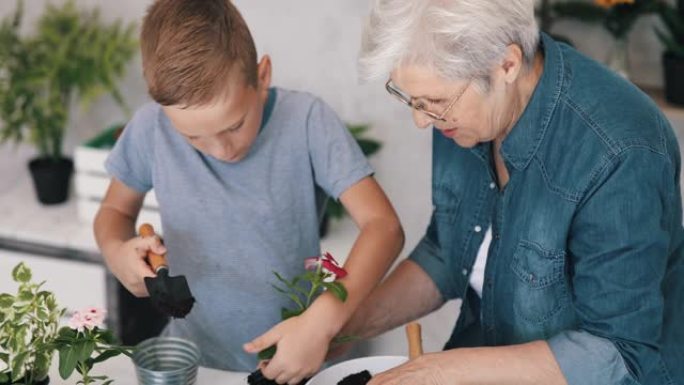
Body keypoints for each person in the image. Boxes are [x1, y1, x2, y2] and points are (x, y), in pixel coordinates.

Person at [336, 0, 684, 384]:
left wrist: (439, 370)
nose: (422, 121)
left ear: (507, 64)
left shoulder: (619, 147)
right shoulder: (460, 112)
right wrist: (341, 328)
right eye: (411, 101)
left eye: (433, 102)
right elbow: (448, 252)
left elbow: (619, 353)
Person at [93, 0, 404, 381]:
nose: (222, 150)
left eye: (234, 125)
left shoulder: (307, 121)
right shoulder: (149, 129)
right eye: (193, 137)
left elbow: (384, 227)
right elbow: (115, 213)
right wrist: (117, 252)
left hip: (292, 360)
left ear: (262, 76)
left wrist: (323, 321)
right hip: (194, 361)